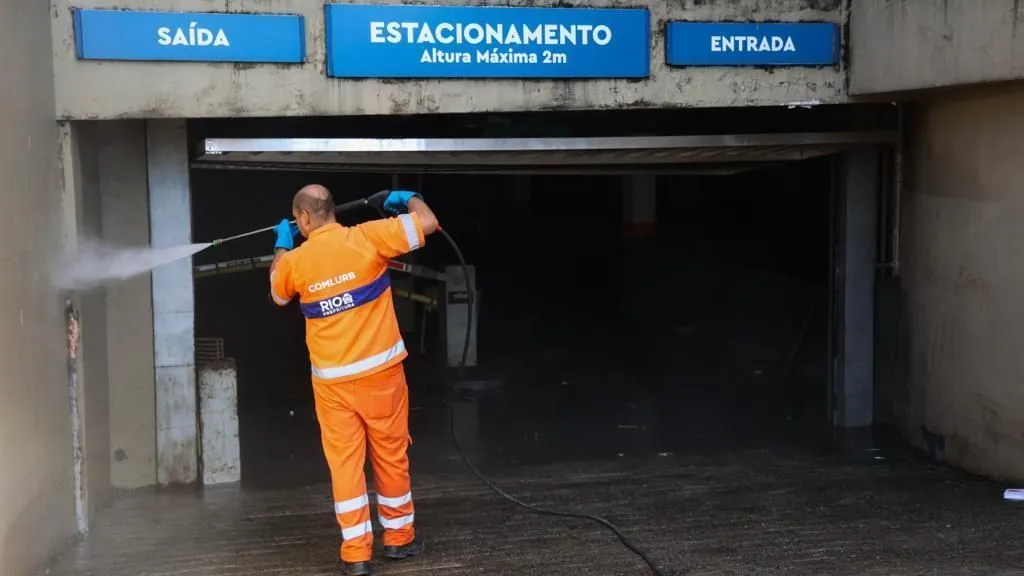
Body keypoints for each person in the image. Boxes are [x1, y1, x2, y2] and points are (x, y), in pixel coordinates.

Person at [268, 184, 439, 575]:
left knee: (345, 466)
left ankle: (356, 555)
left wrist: (283, 244)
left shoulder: (296, 261)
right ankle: (399, 539)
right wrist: (405, 198)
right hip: (383, 376)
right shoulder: (369, 237)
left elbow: (278, 292)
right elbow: (427, 221)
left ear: (304, 218)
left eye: (297, 219)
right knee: (391, 457)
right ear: (331, 211)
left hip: (333, 388)